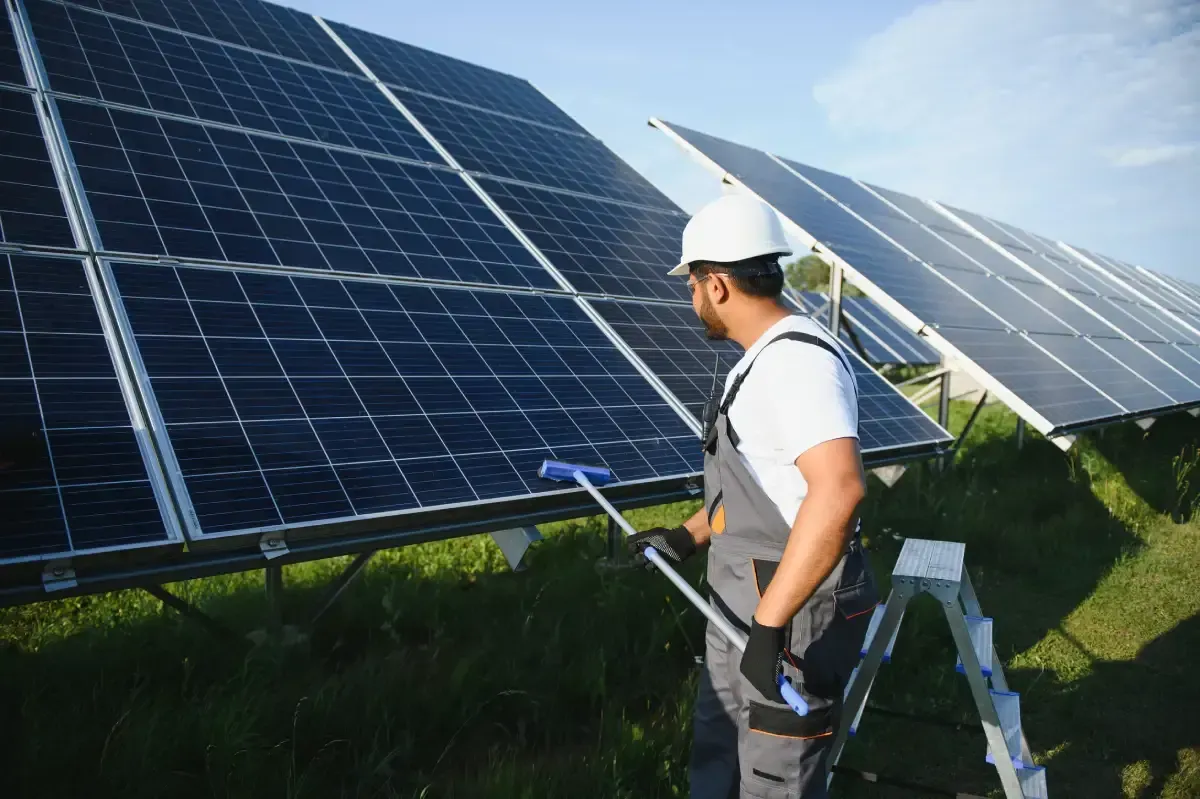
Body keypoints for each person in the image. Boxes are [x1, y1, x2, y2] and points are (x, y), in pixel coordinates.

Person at [627, 194, 881, 798]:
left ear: (716, 286)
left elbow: (839, 491)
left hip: (790, 622)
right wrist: (686, 536)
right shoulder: (758, 362)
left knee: (773, 779)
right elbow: (759, 490)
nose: (691, 301)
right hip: (740, 607)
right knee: (719, 765)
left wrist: (769, 626)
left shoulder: (795, 365)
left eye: (692, 286)